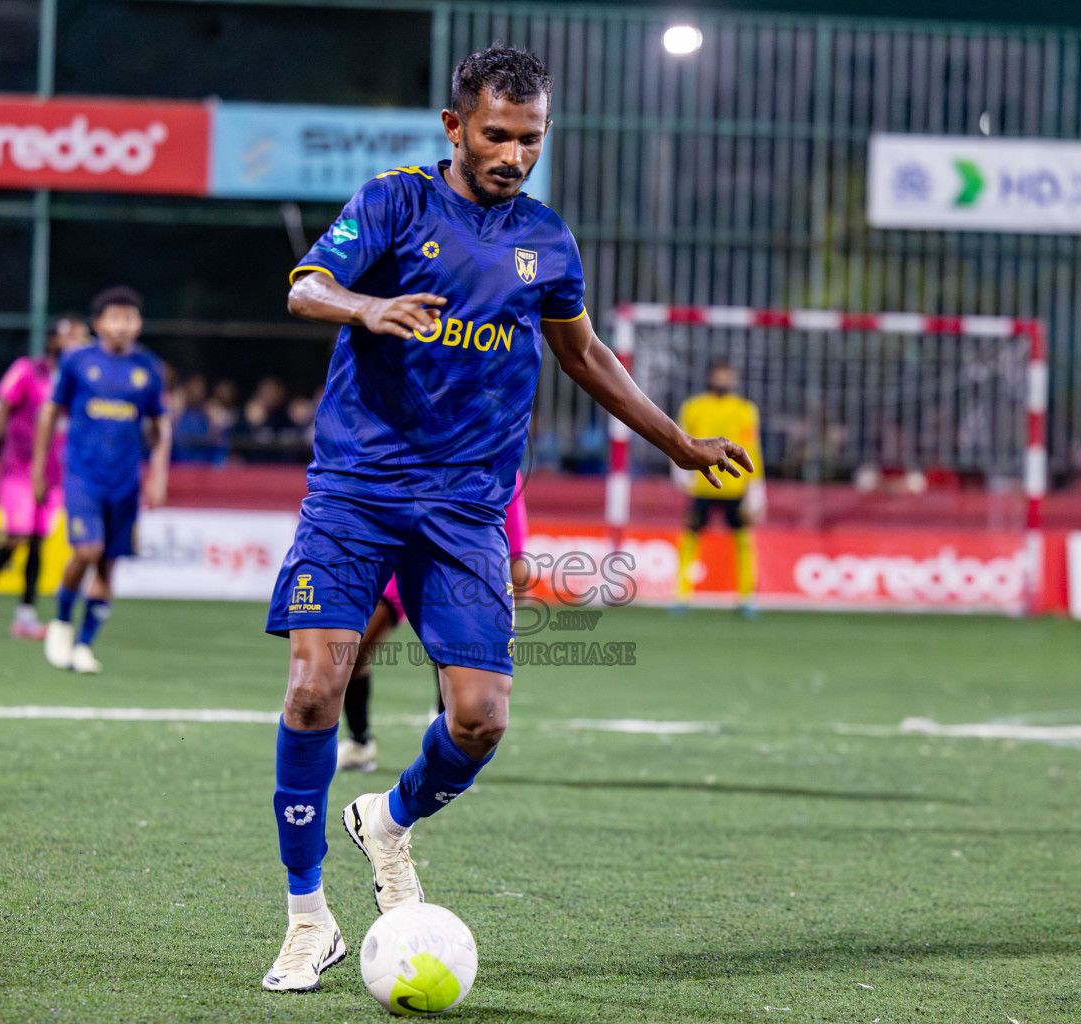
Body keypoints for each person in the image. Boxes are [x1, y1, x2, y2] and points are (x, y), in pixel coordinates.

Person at [260, 45, 753, 993]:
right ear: (456, 128)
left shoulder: (548, 242)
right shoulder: (395, 202)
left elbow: (587, 356)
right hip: (357, 492)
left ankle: (389, 821)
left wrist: (677, 442)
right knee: (314, 690)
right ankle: (307, 916)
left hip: (465, 511)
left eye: (531, 138)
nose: (514, 154)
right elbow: (304, 285)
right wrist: (363, 307)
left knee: (481, 720)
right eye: (496, 134)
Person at [337, 473, 531, 773]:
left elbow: (513, 519)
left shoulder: (497, 450)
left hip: (457, 561)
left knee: (453, 657)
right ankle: (359, 741)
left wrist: (515, 568)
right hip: (399, 553)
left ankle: (448, 753)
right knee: (354, 648)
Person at [32, 288, 170, 675]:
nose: (122, 325)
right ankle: (60, 622)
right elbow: (49, 414)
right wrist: (38, 469)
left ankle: (84, 645)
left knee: (108, 566)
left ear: (139, 324)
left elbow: (161, 425)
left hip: (125, 481)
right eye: (114, 317)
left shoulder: (149, 369)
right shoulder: (77, 362)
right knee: (87, 551)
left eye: (130, 317)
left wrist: (158, 474)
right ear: (98, 324)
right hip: (82, 476)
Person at [0, 317, 87, 639]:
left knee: (37, 540)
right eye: (69, 336)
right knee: (17, 533)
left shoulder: (82, 382)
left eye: (80, 337)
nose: (75, 342)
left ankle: (25, 615)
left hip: (54, 474)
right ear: (52, 341)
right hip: (18, 468)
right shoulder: (27, 371)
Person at [674, 362, 766, 615]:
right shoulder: (694, 407)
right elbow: (679, 439)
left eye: (727, 375)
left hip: (735, 487)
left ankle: (746, 598)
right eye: (719, 374)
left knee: (744, 542)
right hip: (700, 485)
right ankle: (682, 596)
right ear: (710, 376)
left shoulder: (745, 409)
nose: (722, 379)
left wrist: (756, 486)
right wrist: (679, 471)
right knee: (689, 539)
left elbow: (753, 448)